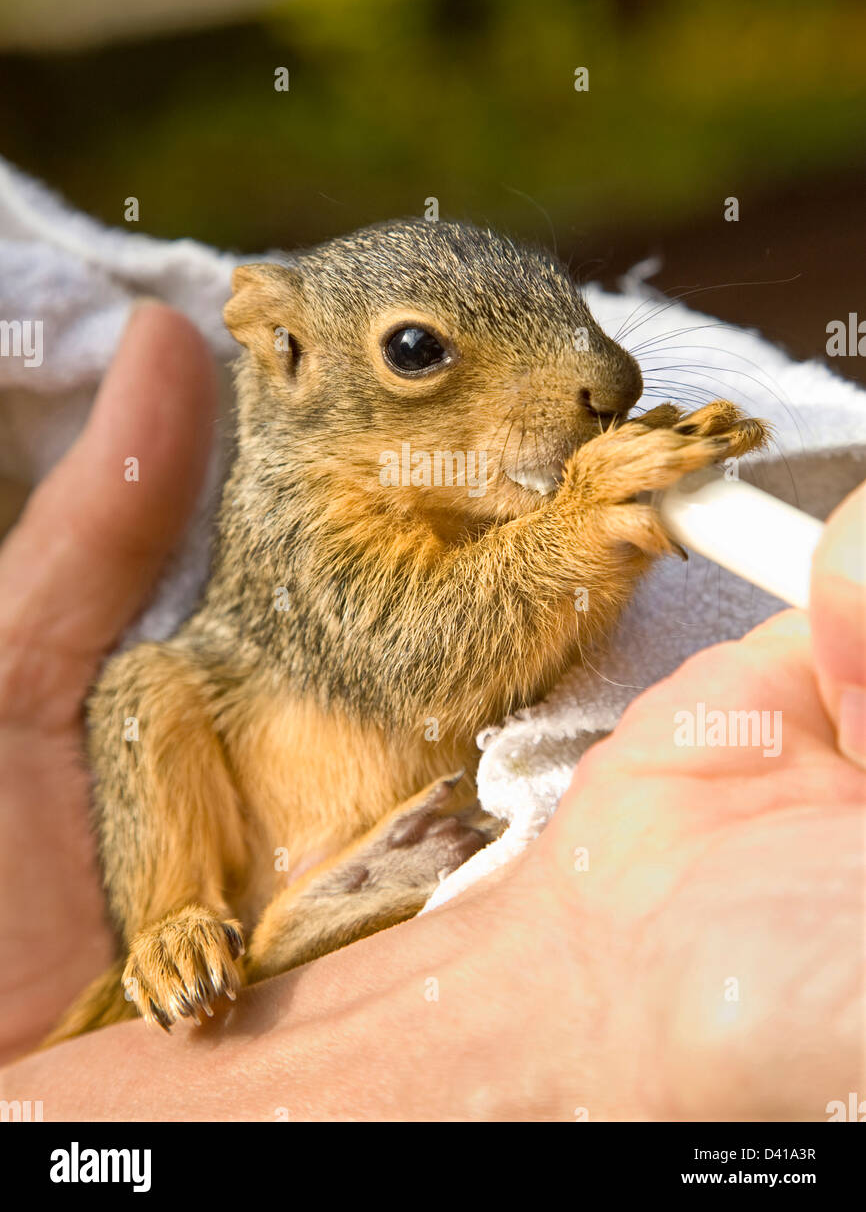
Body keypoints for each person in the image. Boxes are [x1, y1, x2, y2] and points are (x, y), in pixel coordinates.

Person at [0, 304, 862, 1120]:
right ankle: (184, 923)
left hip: (435, 846)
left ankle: (319, 934)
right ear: (289, 350)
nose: (602, 382)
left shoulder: (489, 486)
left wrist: (603, 513)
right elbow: (423, 664)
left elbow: (525, 657)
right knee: (147, 693)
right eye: (417, 354)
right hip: (254, 832)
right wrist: (589, 522)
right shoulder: (312, 512)